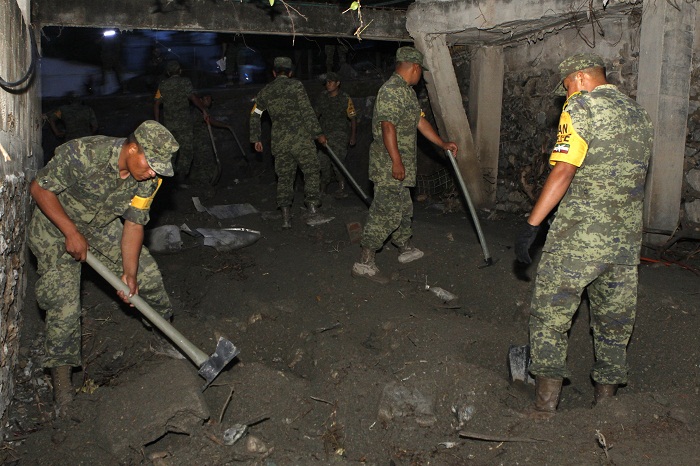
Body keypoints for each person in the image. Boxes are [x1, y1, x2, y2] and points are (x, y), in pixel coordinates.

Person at [514, 53, 654, 419]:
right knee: (613, 322)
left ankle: (545, 408)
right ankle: (606, 404)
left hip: (579, 238)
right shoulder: (639, 115)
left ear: (578, 79)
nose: (566, 94)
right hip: (624, 244)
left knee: (550, 315)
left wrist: (532, 226)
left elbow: (563, 170)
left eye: (565, 87)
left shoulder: (581, 107)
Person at [28, 120, 181, 414]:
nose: (153, 172)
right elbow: (40, 189)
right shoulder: (84, 153)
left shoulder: (150, 179)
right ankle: (63, 390)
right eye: (151, 164)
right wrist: (71, 232)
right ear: (133, 148)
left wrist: (130, 273)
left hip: (100, 227)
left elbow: (134, 224)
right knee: (64, 301)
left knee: (148, 274)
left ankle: (163, 337)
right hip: (53, 226)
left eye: (159, 169)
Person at [351, 47, 457, 283]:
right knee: (386, 211)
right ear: (415, 67)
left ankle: (405, 248)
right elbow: (387, 126)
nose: (420, 77)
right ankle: (364, 262)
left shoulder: (406, 93)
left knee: (404, 208)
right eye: (421, 72)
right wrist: (397, 161)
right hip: (389, 165)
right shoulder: (390, 91)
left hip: (401, 164)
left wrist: (442, 143)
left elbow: (419, 121)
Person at [249, 56, 328, 228]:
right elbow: (307, 111)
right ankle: (313, 210)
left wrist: (256, 137)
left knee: (284, 177)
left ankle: (285, 217)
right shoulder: (296, 86)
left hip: (280, 141)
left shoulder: (266, 91)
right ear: (290, 72)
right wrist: (318, 133)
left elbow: (255, 114)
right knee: (312, 171)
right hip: (301, 140)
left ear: (274, 72)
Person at [154, 60, 209, 185]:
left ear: (168, 72)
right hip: (184, 124)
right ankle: (181, 178)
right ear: (180, 71)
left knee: (171, 151)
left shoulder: (162, 85)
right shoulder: (185, 82)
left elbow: (156, 104)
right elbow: (193, 98)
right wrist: (204, 110)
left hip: (169, 125)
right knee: (186, 150)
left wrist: (157, 121)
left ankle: (170, 181)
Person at [314, 71, 357, 199]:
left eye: (331, 82)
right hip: (324, 134)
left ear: (337, 83)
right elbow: (316, 115)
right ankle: (323, 189)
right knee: (323, 160)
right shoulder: (322, 97)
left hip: (340, 134)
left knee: (337, 161)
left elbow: (353, 118)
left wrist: (353, 135)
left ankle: (341, 187)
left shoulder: (345, 98)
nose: (328, 85)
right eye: (326, 82)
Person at [190, 94, 233, 185]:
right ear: (201, 100)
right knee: (204, 161)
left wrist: (226, 126)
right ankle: (203, 183)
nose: (209, 101)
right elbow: (211, 121)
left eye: (210, 99)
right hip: (199, 141)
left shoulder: (204, 110)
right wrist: (225, 126)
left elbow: (211, 120)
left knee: (206, 160)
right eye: (207, 98)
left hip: (203, 140)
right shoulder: (199, 110)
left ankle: (206, 181)